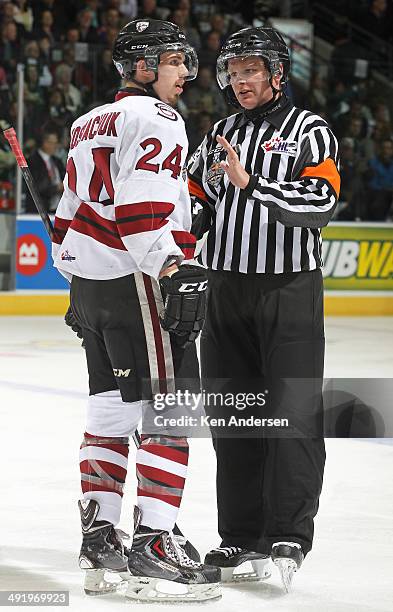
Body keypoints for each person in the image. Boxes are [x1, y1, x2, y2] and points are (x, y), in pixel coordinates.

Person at [52, 19, 220, 603]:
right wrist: (172, 269)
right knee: (169, 411)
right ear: (145, 66)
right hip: (139, 281)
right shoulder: (159, 118)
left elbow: (68, 213)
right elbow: (141, 210)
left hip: (94, 287)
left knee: (108, 410)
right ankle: (154, 546)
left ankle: (100, 537)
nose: (184, 75)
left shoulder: (85, 122)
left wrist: (75, 281)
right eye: (174, 62)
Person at [188, 26, 340, 591]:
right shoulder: (219, 133)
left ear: (277, 73)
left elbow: (319, 203)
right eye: (233, 70)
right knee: (234, 417)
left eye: (251, 69)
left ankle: (288, 534)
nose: (239, 80)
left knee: (293, 415)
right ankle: (240, 534)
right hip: (227, 289)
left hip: (290, 290)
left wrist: (250, 184)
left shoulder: (310, 131)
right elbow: (194, 204)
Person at [25, 127, 64, 213]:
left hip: (57, 210)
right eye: (52, 143)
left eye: (56, 143)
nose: (55, 146)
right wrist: (57, 188)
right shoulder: (32, 161)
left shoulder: (57, 161)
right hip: (38, 211)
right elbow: (37, 187)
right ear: (45, 143)